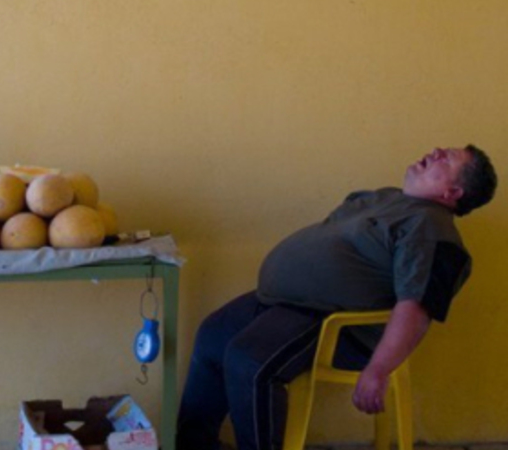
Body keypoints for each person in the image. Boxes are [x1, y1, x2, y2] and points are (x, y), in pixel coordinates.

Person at [176, 145, 498, 450]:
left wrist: (378, 369)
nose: (437, 151)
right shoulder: (387, 198)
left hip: (332, 322)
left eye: (448, 158)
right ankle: (193, 445)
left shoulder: (432, 228)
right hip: (285, 302)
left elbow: (416, 309)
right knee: (213, 335)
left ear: (452, 193)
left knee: (250, 360)